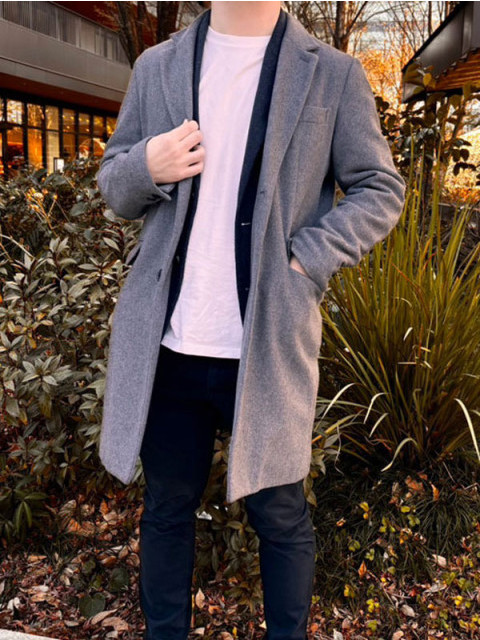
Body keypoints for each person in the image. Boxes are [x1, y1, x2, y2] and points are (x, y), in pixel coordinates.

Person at [96, 2, 406, 639]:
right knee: (166, 510)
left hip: (266, 344)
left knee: (281, 515)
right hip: (169, 344)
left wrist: (310, 257)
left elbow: (381, 187)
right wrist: (146, 166)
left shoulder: (333, 74)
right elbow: (114, 185)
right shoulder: (157, 66)